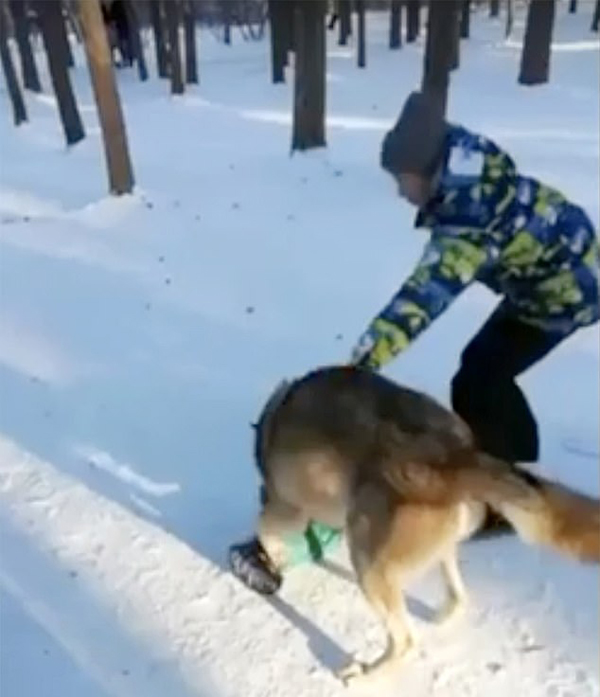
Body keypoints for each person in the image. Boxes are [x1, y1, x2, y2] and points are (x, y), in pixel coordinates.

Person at [229, 91, 599, 594]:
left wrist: (357, 368)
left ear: (424, 170)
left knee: (481, 374)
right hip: (555, 269)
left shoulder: (468, 221)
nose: (400, 192)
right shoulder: (466, 166)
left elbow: (421, 301)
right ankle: (507, 463)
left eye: (401, 180)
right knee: (483, 368)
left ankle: (495, 493)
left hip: (566, 291)